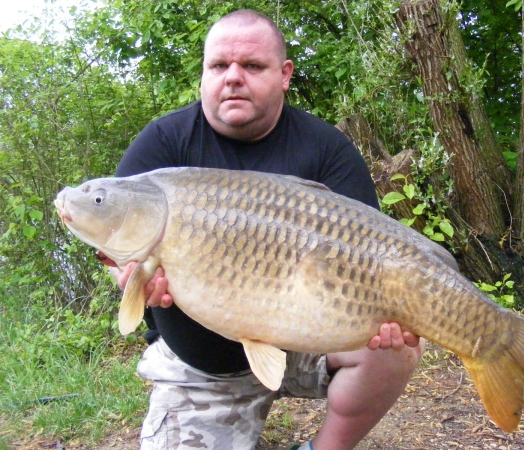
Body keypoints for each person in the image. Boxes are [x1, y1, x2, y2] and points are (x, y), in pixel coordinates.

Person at [113, 9, 424, 450]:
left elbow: (374, 259)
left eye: (252, 66)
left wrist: (394, 314)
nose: (233, 78)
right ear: (203, 74)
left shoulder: (327, 150)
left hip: (308, 341)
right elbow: (121, 254)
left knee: (396, 348)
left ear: (284, 74)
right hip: (204, 366)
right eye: (219, 66)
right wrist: (130, 278)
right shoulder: (164, 146)